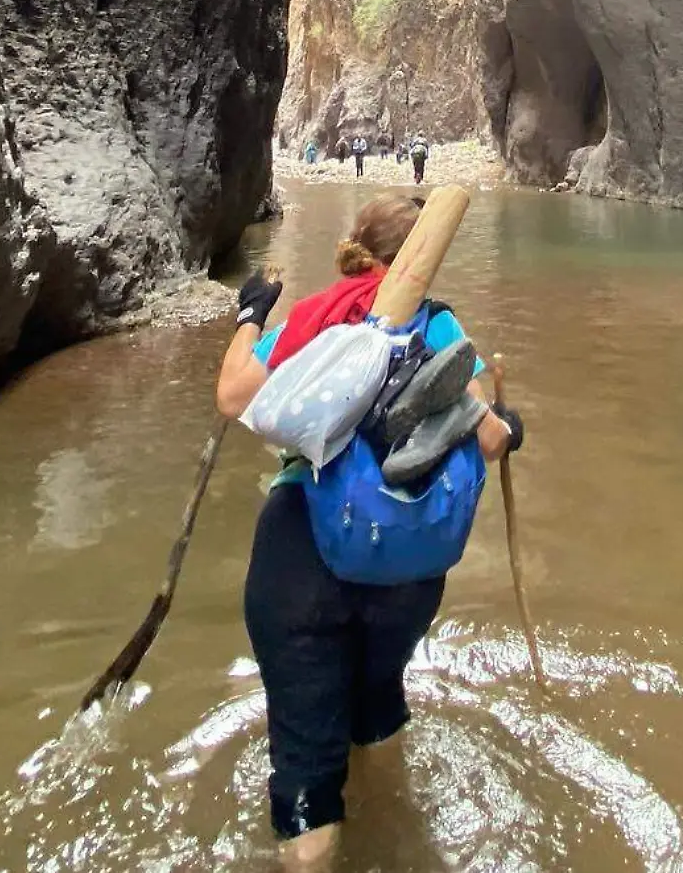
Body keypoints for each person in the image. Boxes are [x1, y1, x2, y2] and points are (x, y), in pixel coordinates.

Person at [215, 195, 526, 870]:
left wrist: (249, 316)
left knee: (306, 764)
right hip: (407, 570)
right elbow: (493, 439)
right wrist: (509, 420)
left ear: (359, 246)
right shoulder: (439, 326)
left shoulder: (317, 316)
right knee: (377, 700)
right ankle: (396, 826)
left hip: (304, 554)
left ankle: (317, 836)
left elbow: (235, 396)